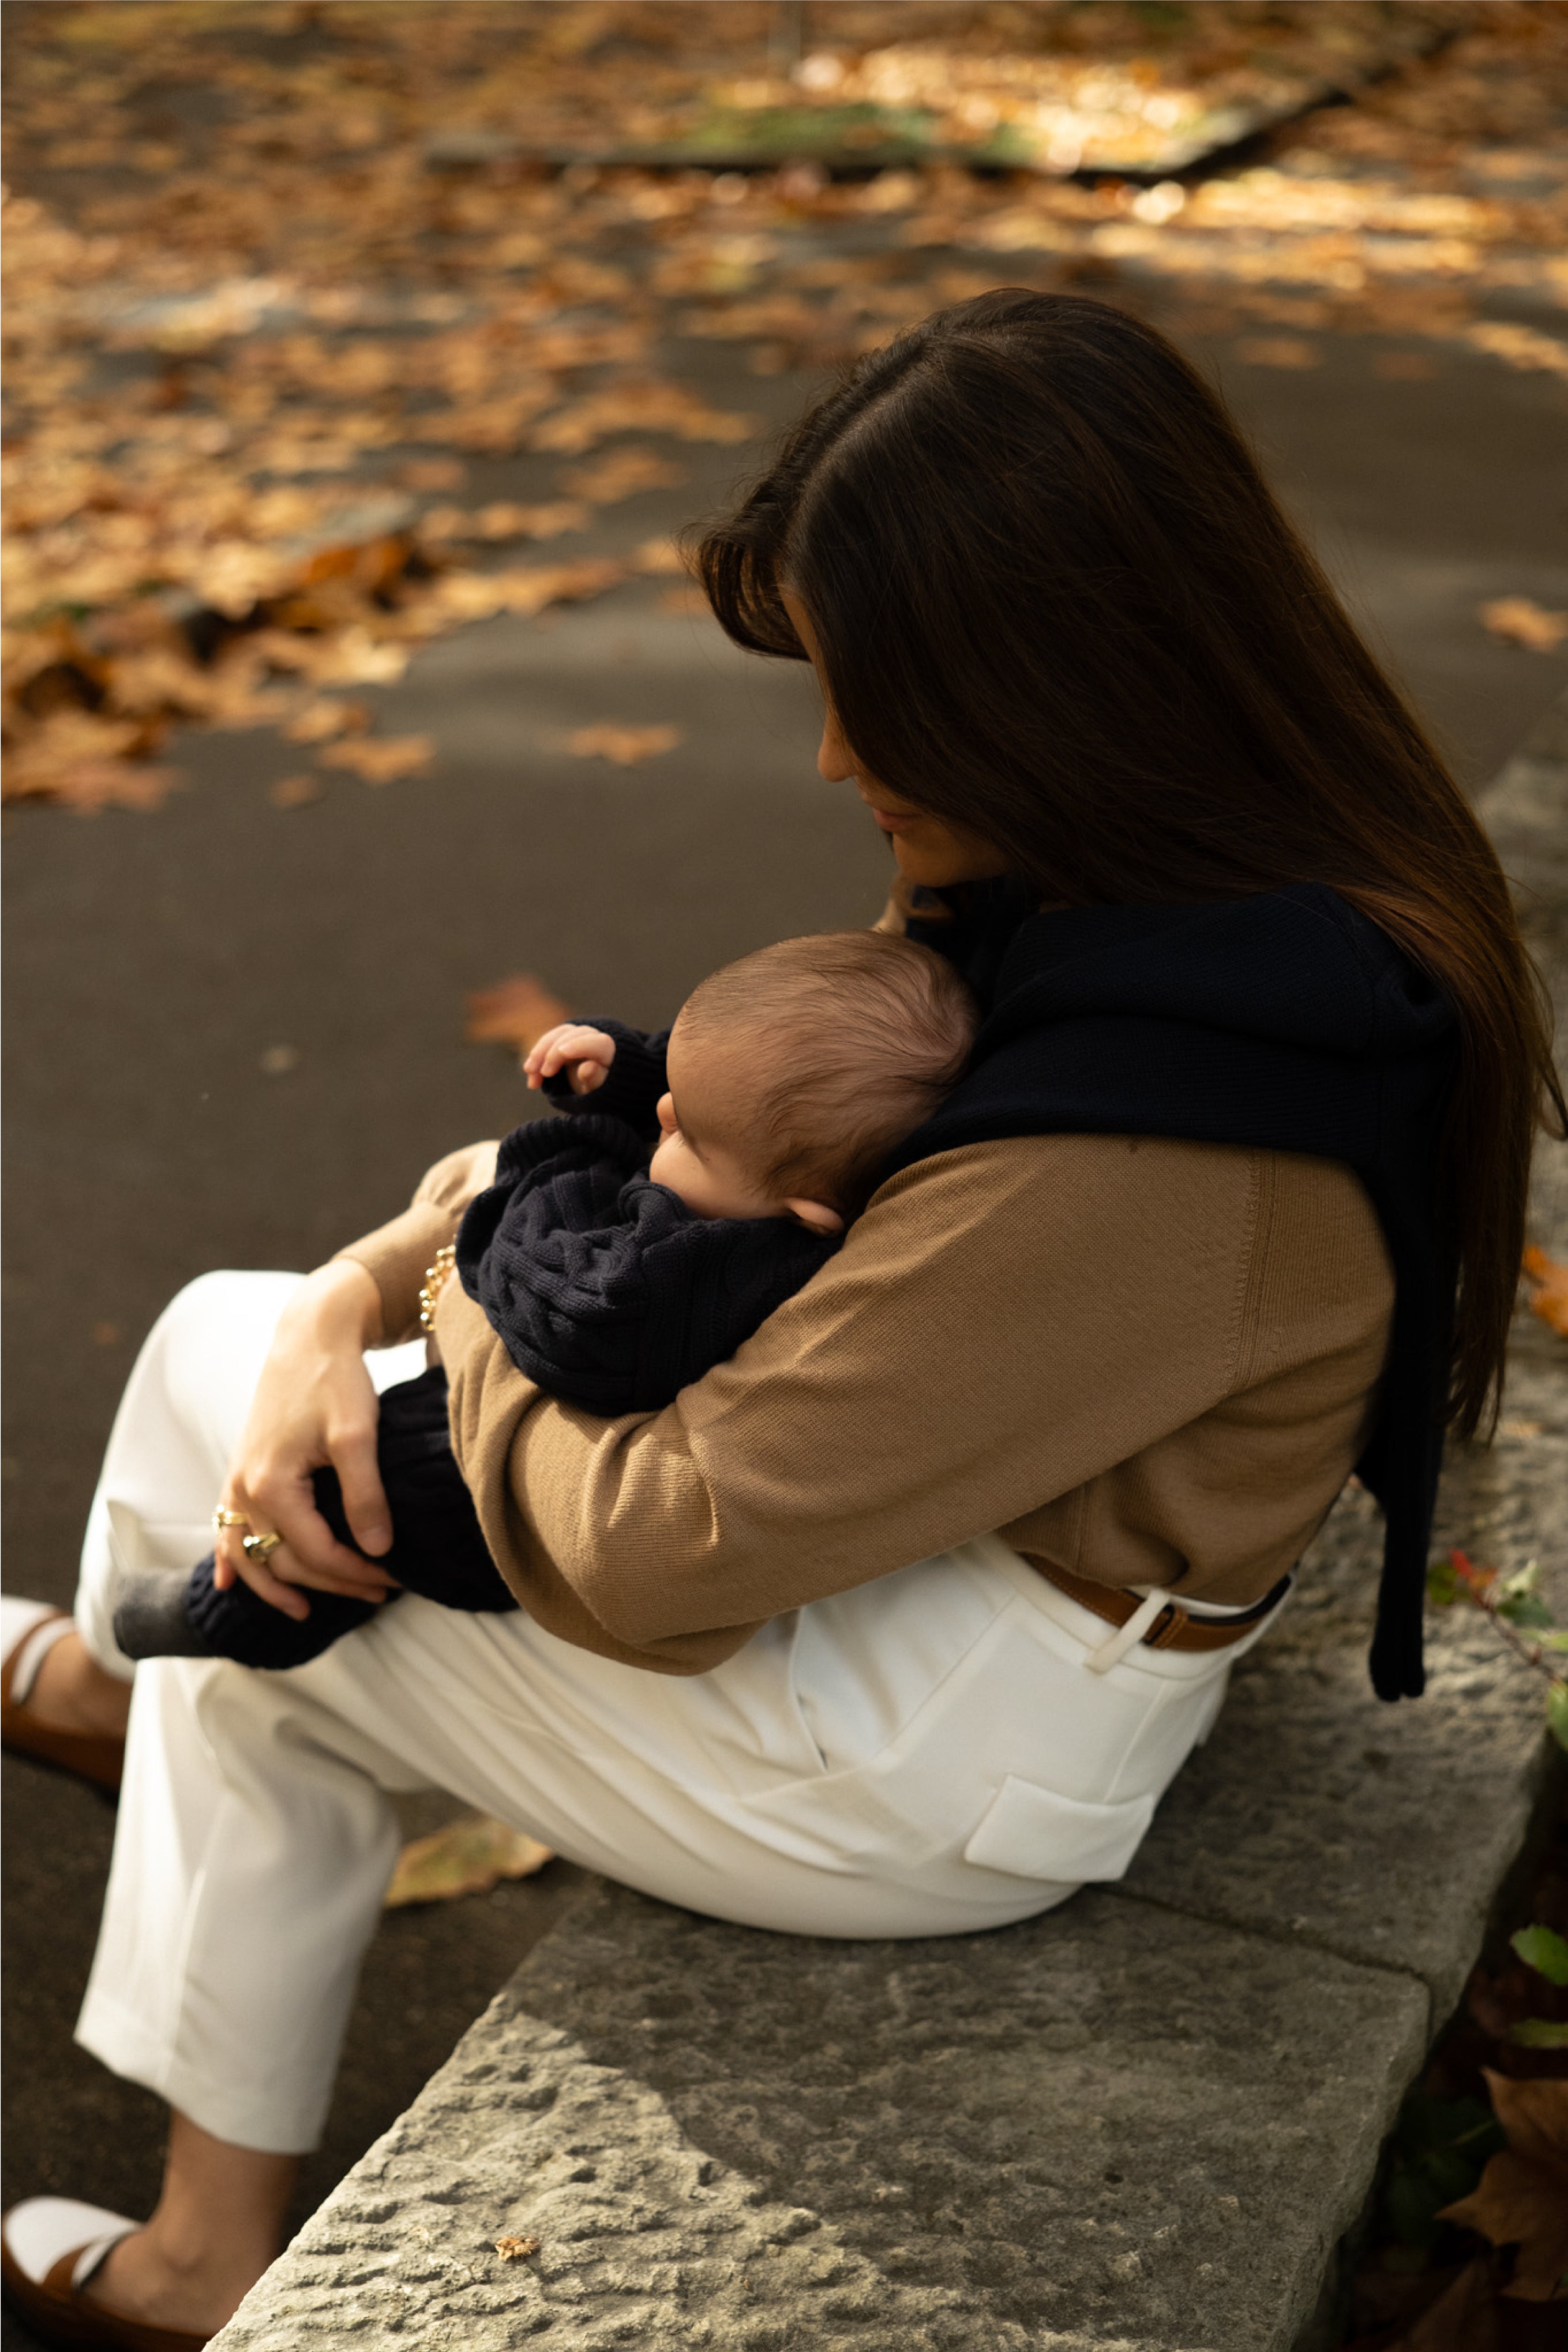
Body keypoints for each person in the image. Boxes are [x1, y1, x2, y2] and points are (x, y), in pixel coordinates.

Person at [3, 290, 1560, 2352]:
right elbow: (712, 1158)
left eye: (878, 697)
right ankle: (137, 1694)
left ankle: (196, 2198)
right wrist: (370, 1290)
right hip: (952, 1575)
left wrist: (433, 1278)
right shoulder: (1163, 918)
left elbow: (660, 1549)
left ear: (1058, 682)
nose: (834, 754)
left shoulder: (1171, 1127)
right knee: (272, 1409)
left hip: (938, 1754)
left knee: (284, 1531)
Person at [105, 932, 978, 1672]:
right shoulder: (785, 1179)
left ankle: (226, 1615)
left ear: (807, 1216)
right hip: (521, 1413)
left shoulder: (690, 1280)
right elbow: (741, 1106)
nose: (660, 1117)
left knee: (363, 1490)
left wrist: (553, 1169)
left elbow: (554, 1302)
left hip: (517, 1509)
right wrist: (626, 1074)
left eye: (686, 1130)